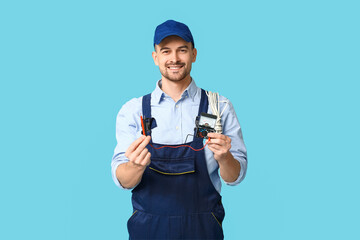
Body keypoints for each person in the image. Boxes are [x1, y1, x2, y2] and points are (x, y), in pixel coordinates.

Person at [111, 20, 247, 239]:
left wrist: (225, 157)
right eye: (166, 51)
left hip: (203, 230)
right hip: (148, 230)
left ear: (193, 54)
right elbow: (122, 180)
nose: (174, 59)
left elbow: (235, 177)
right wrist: (135, 166)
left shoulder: (218, 107)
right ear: (155, 58)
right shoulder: (134, 110)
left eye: (182, 50)